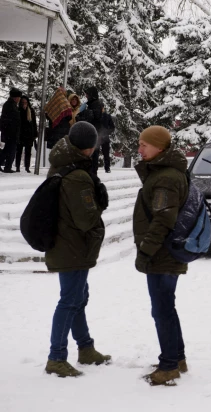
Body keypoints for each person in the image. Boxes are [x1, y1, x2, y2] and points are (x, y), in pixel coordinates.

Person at [44, 122, 111, 378]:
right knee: (70, 301)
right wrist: (99, 203)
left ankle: (85, 348)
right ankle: (56, 357)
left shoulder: (64, 166)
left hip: (67, 244)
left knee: (78, 298)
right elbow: (86, 219)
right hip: (72, 246)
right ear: (90, 147)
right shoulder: (78, 176)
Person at [133, 126, 190, 386]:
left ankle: (169, 367)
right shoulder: (163, 173)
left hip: (162, 253)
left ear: (160, 147)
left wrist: (146, 250)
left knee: (162, 310)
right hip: (165, 251)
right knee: (167, 306)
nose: (139, 149)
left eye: (145, 145)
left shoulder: (166, 177)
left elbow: (163, 219)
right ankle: (176, 358)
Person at [77, 86, 104, 175]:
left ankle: (91, 174)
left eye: (87, 94)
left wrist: (82, 114)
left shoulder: (95, 104)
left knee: (92, 156)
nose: (86, 96)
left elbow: (92, 117)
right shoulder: (90, 104)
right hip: (90, 134)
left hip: (93, 134)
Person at [0, 88, 22, 173]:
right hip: (11, 132)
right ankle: (7, 167)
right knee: (10, 150)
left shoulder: (10, 105)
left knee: (8, 149)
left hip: (10, 132)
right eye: (18, 97)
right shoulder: (10, 105)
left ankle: (7, 166)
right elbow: (10, 120)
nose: (19, 99)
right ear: (15, 97)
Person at [16, 95, 38, 173]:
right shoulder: (18, 110)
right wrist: (23, 111)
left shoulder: (31, 110)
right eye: (23, 103)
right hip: (21, 134)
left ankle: (27, 167)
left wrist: (35, 134)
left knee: (28, 152)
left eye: (26, 102)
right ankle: (17, 167)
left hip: (29, 134)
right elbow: (19, 122)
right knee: (19, 151)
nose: (24, 104)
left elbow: (33, 123)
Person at [99, 106, 115, 173]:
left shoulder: (107, 116)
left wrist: (106, 132)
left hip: (105, 137)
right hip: (96, 137)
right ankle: (93, 168)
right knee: (94, 153)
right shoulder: (93, 115)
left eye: (101, 108)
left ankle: (107, 168)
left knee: (106, 154)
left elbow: (112, 127)